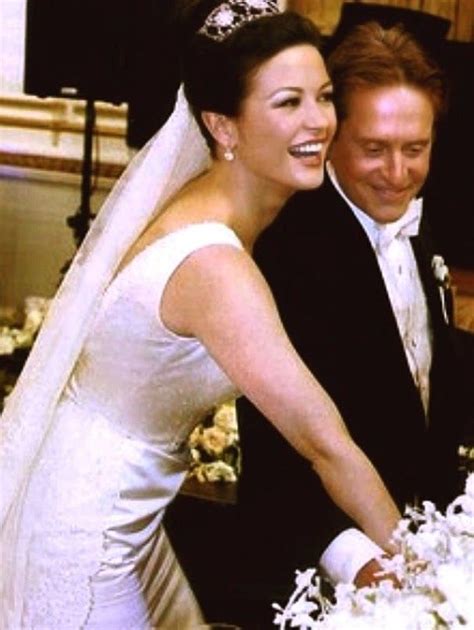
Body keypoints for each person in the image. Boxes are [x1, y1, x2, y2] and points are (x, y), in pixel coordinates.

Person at [0, 2, 403, 628]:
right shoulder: (215, 265)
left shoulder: (209, 207)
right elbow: (324, 444)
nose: (318, 121)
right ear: (223, 126)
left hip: (121, 516)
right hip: (82, 534)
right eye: (287, 102)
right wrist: (427, 571)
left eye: (323, 97)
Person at [221, 19, 473, 627]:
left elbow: (421, 375)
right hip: (315, 573)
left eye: (416, 149)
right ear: (332, 137)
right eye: (374, 148)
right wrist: (362, 562)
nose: (398, 172)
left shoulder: (412, 216)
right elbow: (277, 449)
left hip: (425, 544)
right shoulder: (285, 250)